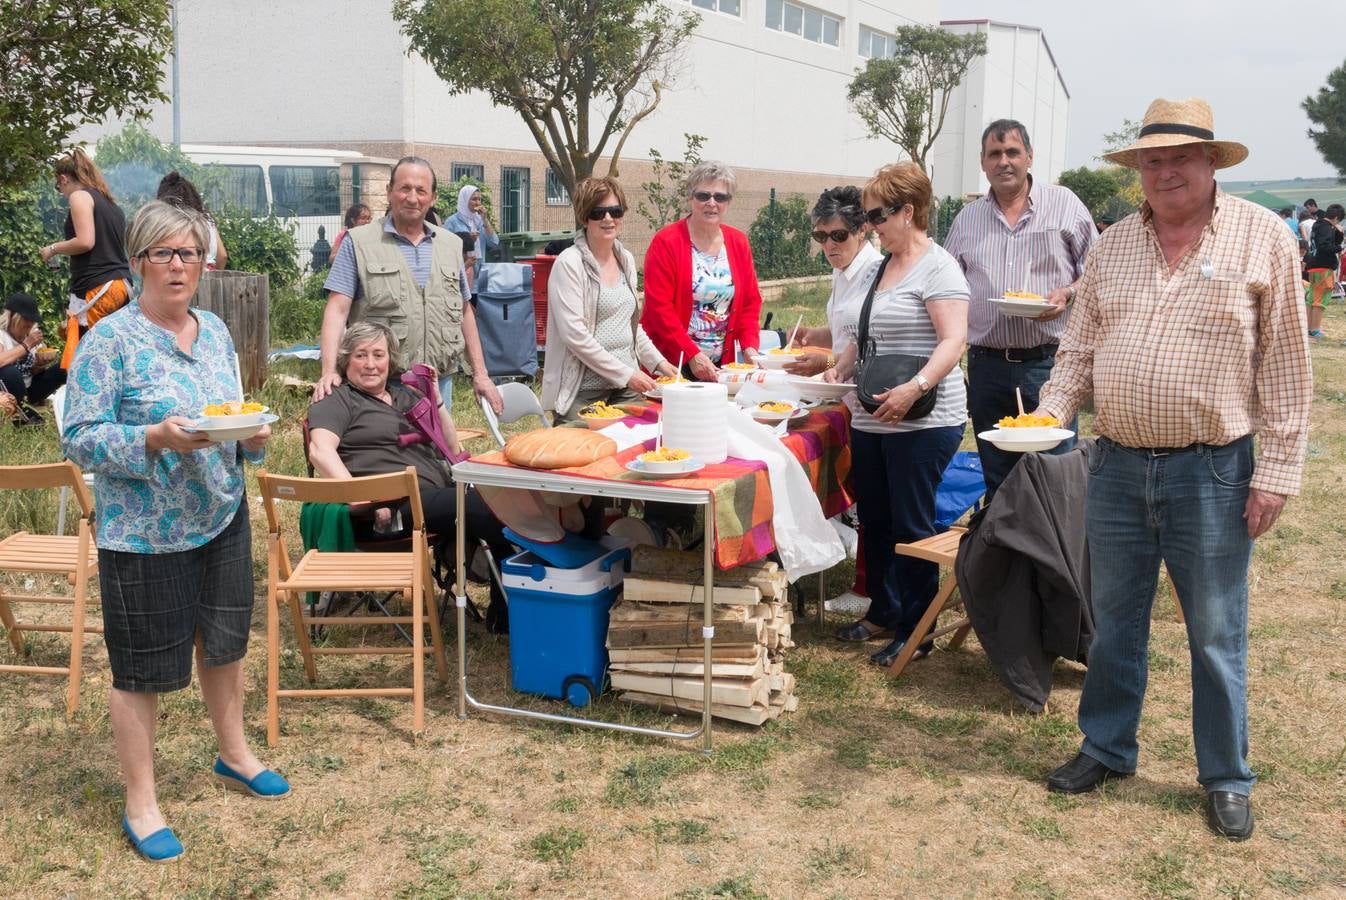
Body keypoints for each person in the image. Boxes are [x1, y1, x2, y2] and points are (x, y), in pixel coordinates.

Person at [1036, 98, 1311, 842]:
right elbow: (1080, 344)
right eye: (1150, 161)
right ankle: (1106, 747)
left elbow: (1285, 361)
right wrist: (1049, 412)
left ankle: (1225, 774)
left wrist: (1277, 470)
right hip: (1118, 466)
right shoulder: (1115, 242)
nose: (1163, 172)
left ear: (1211, 163)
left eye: (1178, 159)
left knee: (1216, 632)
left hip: (1213, 471)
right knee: (1116, 621)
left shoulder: (1263, 239)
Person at [62, 200, 289, 863]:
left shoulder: (215, 330)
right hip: (145, 534)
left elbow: (234, 413)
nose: (178, 265)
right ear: (136, 262)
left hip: (220, 514)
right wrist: (152, 440)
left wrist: (254, 438)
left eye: (189, 253)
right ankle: (141, 800)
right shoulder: (111, 340)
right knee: (142, 670)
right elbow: (80, 437)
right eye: (163, 252)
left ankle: (235, 754)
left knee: (224, 644)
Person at [824, 163, 969, 668]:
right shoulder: (882, 266)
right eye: (867, 217)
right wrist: (842, 363)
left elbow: (954, 340)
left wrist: (915, 388)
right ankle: (884, 610)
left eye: (877, 216)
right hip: (873, 418)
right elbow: (864, 334)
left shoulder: (939, 267)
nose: (870, 226)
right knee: (877, 521)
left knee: (911, 525)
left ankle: (916, 629)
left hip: (923, 419)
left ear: (909, 212)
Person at [943, 119, 1095, 500]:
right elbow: (948, 287)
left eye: (1012, 152)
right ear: (982, 162)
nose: (1004, 161)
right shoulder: (968, 219)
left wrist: (1068, 294)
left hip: (1048, 365)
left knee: (1053, 475)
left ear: (1029, 156)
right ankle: (1005, 558)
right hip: (987, 366)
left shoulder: (1064, 206)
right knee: (998, 478)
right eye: (995, 154)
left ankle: (1053, 558)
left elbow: (1099, 273)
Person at [306, 321, 512, 561]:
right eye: (360, 355)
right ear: (346, 360)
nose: (370, 364)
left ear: (389, 360)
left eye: (378, 355)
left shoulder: (405, 397)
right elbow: (320, 451)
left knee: (510, 503)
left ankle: (510, 591)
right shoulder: (338, 400)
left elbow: (451, 448)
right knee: (487, 509)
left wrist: (435, 400)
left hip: (434, 496)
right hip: (389, 510)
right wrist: (362, 499)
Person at [316, 157, 502, 416]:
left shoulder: (450, 245)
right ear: (389, 192)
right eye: (404, 188)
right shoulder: (359, 242)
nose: (412, 198)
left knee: (436, 454)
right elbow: (337, 311)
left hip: (438, 384)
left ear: (433, 197)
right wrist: (329, 372)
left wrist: (480, 374)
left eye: (421, 190)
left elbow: (464, 310)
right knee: (384, 455)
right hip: (380, 387)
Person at [786, 186, 884, 615]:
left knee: (875, 499)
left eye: (838, 236)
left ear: (863, 230)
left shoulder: (874, 272)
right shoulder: (842, 271)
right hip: (848, 397)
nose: (829, 246)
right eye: (820, 236)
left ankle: (869, 590)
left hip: (875, 397)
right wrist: (820, 341)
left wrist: (832, 364)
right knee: (865, 492)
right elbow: (846, 331)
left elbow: (871, 339)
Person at [541, 177, 677, 421]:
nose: (608, 219)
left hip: (627, 389)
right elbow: (575, 336)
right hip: (584, 391)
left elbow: (631, 325)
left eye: (615, 211)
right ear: (584, 217)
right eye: (598, 212)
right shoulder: (569, 263)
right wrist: (626, 374)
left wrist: (658, 363)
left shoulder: (626, 259)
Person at [641, 161, 763, 380]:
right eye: (703, 196)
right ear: (690, 198)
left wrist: (749, 348)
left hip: (722, 367)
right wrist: (692, 355)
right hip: (673, 364)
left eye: (720, 197)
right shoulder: (666, 242)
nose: (712, 203)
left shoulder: (738, 242)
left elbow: (750, 303)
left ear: (729, 202)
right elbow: (659, 310)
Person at [40, 148, 132, 370]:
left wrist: (52, 249)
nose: (61, 192)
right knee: (113, 354)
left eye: (58, 186)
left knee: (90, 360)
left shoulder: (79, 196)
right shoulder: (111, 204)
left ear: (63, 178)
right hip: (120, 286)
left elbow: (85, 241)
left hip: (97, 286)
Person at [0, 292, 66, 424]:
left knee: (63, 367)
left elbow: (33, 372)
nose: (30, 323)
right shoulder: (2, 334)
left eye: (32, 320)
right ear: (13, 317)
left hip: (30, 389)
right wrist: (27, 345)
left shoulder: (31, 335)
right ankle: (26, 416)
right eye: (26, 319)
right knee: (10, 371)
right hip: (8, 393)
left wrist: (40, 364)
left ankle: (72, 410)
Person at [156, 171, 228, 271]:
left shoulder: (171, 220)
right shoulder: (206, 218)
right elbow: (222, 256)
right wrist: (214, 275)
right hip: (209, 276)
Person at [1304, 203, 1344, 338]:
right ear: (1337, 218)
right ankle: (1314, 329)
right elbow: (1325, 247)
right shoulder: (1326, 228)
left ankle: (1308, 328)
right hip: (1324, 267)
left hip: (1313, 265)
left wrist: (1339, 233)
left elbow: (1325, 243)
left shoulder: (1317, 224)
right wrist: (1340, 248)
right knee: (1320, 300)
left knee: (1312, 299)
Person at [444, 185, 499, 274]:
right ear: (465, 200)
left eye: (479, 199)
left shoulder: (479, 220)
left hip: (480, 269)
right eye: (474, 199)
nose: (478, 203)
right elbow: (446, 249)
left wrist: (485, 219)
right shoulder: (452, 222)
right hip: (462, 270)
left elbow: (494, 243)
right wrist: (468, 240)